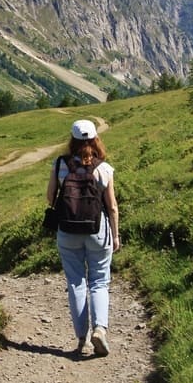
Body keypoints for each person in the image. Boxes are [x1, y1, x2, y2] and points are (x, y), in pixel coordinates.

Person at [46, 118, 121, 357]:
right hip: (97, 229)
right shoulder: (103, 168)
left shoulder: (60, 165)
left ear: (72, 140)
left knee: (75, 283)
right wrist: (116, 235)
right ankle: (100, 329)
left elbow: (50, 198)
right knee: (99, 281)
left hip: (67, 231)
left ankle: (82, 339)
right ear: (95, 139)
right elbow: (112, 207)